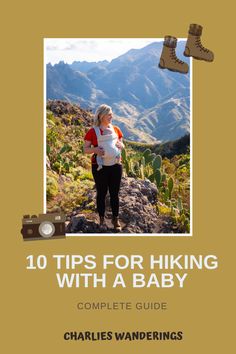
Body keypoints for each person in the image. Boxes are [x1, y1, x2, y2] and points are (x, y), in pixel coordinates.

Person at [83, 104, 124, 231]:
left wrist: (121, 146)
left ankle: (115, 219)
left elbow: (122, 144)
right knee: (101, 193)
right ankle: (101, 218)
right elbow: (85, 149)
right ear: (101, 116)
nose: (112, 116)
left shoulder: (116, 129)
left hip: (116, 166)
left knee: (114, 193)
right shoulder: (92, 132)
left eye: (111, 114)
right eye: (109, 114)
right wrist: (95, 149)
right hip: (99, 167)